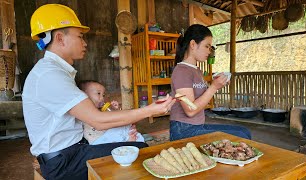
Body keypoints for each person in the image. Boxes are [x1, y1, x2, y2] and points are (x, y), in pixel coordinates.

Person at [22, 4, 174, 180]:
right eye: (80, 36)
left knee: (132, 143)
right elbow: (98, 120)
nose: (85, 43)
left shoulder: (53, 71)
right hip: (64, 163)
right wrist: (150, 110)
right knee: (140, 151)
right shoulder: (50, 75)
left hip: (73, 151)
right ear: (60, 38)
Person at [169, 24, 251, 141]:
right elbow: (190, 110)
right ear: (193, 44)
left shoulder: (196, 70)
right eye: (207, 46)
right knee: (240, 136)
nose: (209, 51)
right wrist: (213, 87)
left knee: (243, 131)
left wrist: (215, 83)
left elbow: (201, 96)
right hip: (183, 130)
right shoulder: (182, 71)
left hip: (196, 126)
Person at [78, 80, 144, 144]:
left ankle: (129, 138)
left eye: (103, 95)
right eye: (98, 93)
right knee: (119, 130)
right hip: (98, 141)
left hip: (108, 137)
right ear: (84, 95)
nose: (102, 98)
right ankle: (127, 142)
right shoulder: (83, 111)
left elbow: (114, 119)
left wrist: (115, 110)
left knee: (125, 126)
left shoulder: (102, 109)